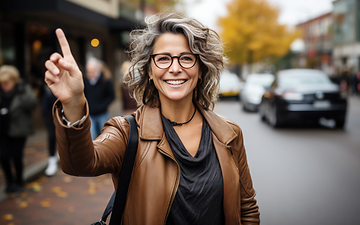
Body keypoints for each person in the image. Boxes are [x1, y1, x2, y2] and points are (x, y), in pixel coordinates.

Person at [44, 13, 260, 224]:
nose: (175, 68)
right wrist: (73, 103)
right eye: (163, 59)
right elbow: (80, 165)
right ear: (149, 69)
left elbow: (246, 207)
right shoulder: (127, 132)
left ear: (201, 69)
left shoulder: (229, 133)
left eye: (186, 58)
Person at [0, 65, 37, 193]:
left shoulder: (23, 89)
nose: (4, 86)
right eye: (2, 83)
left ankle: (19, 182)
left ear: (14, 81)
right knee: (3, 156)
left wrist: (21, 95)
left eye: (6, 83)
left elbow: (32, 103)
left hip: (18, 130)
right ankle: (9, 183)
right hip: (3, 130)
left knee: (17, 156)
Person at [84, 57, 115, 140]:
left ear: (97, 70)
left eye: (91, 72)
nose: (89, 74)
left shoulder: (105, 80)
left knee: (104, 136)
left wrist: (102, 106)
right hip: (90, 114)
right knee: (92, 137)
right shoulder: (85, 81)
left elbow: (112, 96)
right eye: (88, 72)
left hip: (102, 113)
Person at [41, 84, 58, 176]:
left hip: (64, 115)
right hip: (50, 116)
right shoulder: (46, 89)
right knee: (52, 137)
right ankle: (52, 162)